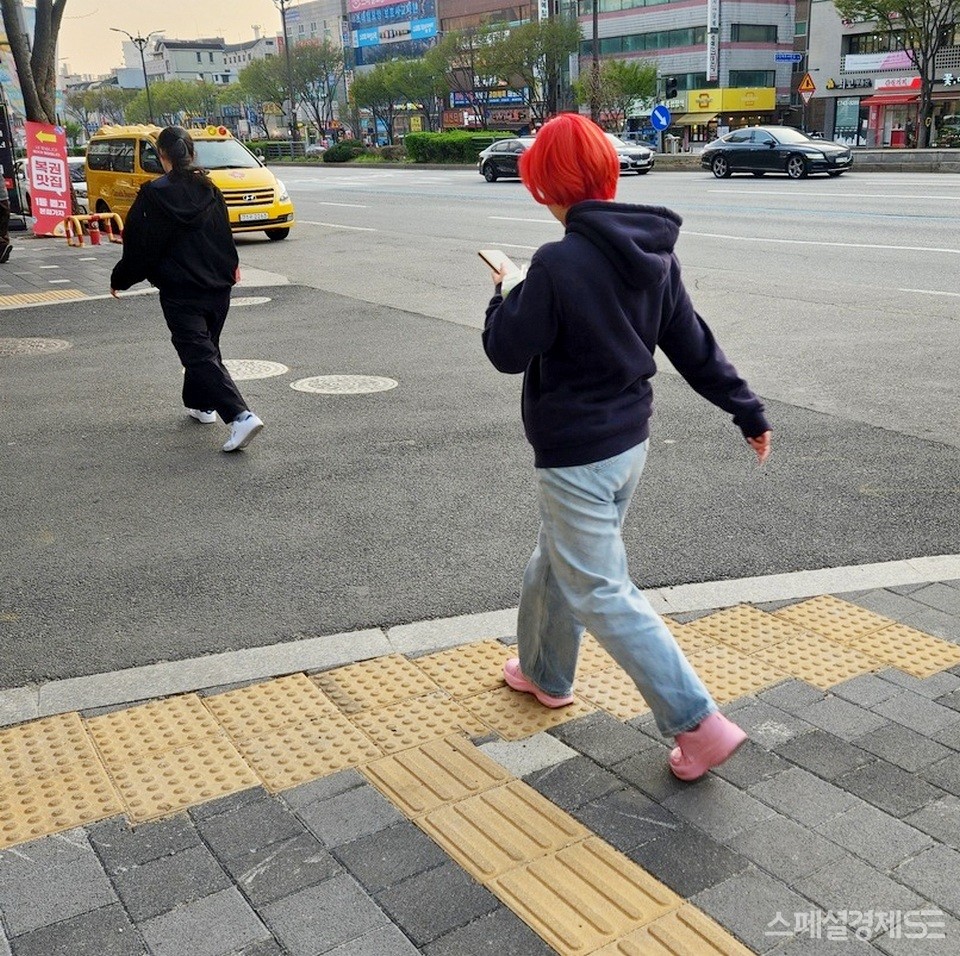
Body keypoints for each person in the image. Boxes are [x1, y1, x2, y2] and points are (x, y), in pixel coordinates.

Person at [482, 113, 772, 782]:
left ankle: (698, 722)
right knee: (556, 560)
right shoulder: (653, 253)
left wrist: (503, 291)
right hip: (627, 446)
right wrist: (745, 409)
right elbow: (694, 344)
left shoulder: (556, 263)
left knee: (600, 589)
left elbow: (506, 351)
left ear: (544, 184)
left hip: (575, 455)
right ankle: (545, 671)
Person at [110, 126, 263, 453]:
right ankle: (201, 404)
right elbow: (224, 233)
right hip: (219, 285)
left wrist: (120, 279)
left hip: (181, 289)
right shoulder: (210, 189)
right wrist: (231, 268)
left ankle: (240, 416)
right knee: (205, 348)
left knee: (198, 351)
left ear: (161, 155)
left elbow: (139, 248)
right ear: (191, 153)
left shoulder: (152, 196)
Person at [0, 169, 11, 264]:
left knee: (4, 221)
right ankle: (3, 245)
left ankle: (2, 246)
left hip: (3, 197)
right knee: (3, 222)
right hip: (3, 198)